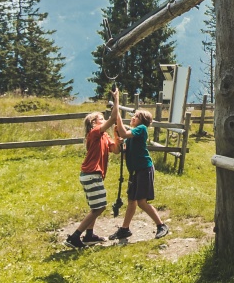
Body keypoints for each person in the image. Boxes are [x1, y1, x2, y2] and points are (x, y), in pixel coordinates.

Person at [110, 101, 168, 241]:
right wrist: (118, 139)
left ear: (142, 120)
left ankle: (161, 225)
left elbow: (124, 131)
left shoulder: (141, 129)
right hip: (135, 171)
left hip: (144, 169)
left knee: (141, 201)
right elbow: (123, 154)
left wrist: (117, 112)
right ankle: (125, 229)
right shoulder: (131, 135)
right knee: (131, 201)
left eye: (136, 116)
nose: (133, 118)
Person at [68, 96, 119, 248]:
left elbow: (115, 150)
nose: (104, 121)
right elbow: (114, 118)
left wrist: (117, 136)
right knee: (99, 207)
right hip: (91, 174)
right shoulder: (95, 133)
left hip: (93, 175)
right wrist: (116, 101)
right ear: (93, 123)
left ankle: (89, 235)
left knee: (95, 206)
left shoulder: (104, 135)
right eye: (101, 119)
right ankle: (75, 236)